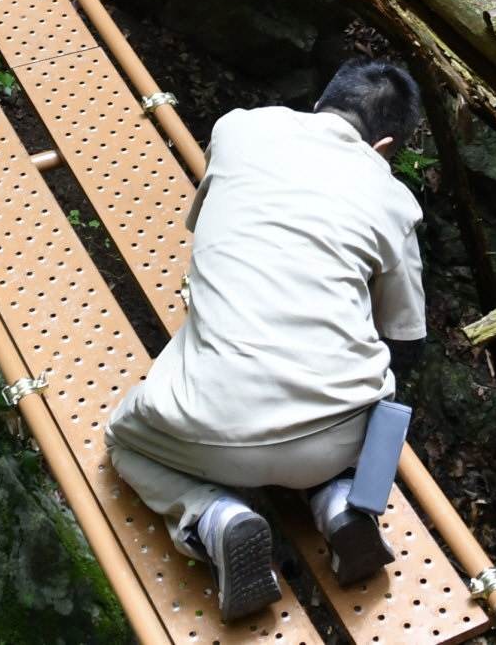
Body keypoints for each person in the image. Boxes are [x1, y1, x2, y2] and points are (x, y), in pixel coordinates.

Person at [104, 61, 427, 621]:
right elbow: (407, 341)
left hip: (208, 429)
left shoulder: (239, 129)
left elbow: (200, 222)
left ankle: (214, 517)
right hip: (337, 436)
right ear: (385, 144)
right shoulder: (393, 199)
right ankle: (342, 502)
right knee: (375, 384)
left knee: (123, 440)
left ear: (323, 103)